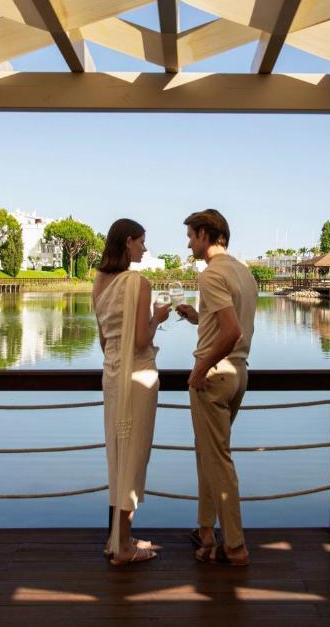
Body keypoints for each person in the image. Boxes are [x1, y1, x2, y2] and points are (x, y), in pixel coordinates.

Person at [175, 209, 258, 566]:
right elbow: (230, 323)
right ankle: (206, 531)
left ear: (206, 235)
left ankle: (235, 546)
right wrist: (199, 318)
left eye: (191, 236)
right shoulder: (243, 272)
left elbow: (231, 332)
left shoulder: (210, 274)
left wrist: (199, 369)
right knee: (209, 453)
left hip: (214, 377)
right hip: (239, 374)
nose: (188, 244)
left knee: (218, 460)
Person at [93, 219, 170, 566]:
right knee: (135, 457)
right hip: (138, 378)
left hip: (112, 376)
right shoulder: (139, 283)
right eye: (141, 242)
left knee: (118, 456)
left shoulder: (99, 282)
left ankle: (119, 537)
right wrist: (158, 318)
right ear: (127, 242)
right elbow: (141, 339)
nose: (144, 248)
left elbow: (103, 340)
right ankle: (123, 548)